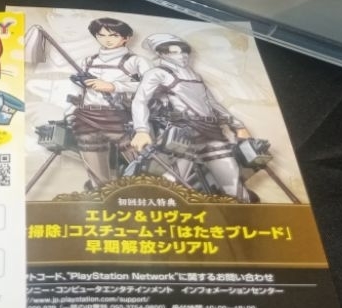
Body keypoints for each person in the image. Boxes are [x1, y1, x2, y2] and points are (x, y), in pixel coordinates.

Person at [130, 33, 255, 202]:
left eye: (184, 51)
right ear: (161, 53)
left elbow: (212, 103)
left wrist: (237, 125)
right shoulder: (157, 73)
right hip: (183, 133)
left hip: (211, 131)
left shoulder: (195, 75)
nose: (182, 56)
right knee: (170, 184)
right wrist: (141, 130)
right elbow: (140, 100)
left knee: (233, 185)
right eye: (174, 52)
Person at [68, 17, 149, 188]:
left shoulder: (135, 61)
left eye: (113, 35)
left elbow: (153, 86)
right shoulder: (88, 61)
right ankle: (101, 195)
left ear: (126, 38)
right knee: (97, 176)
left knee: (143, 164)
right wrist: (70, 110)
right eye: (101, 35)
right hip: (87, 117)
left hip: (119, 117)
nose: (107, 39)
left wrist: (113, 86)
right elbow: (81, 92)